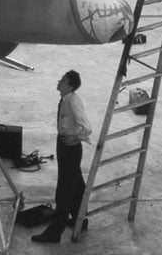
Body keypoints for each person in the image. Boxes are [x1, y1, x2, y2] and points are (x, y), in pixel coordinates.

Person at [32, 70, 93, 244]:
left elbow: (87, 126)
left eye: (63, 81)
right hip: (64, 145)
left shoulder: (73, 101)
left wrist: (77, 137)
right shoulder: (65, 99)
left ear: (70, 86)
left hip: (70, 147)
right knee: (76, 184)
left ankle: (54, 232)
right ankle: (80, 219)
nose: (59, 82)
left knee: (64, 190)